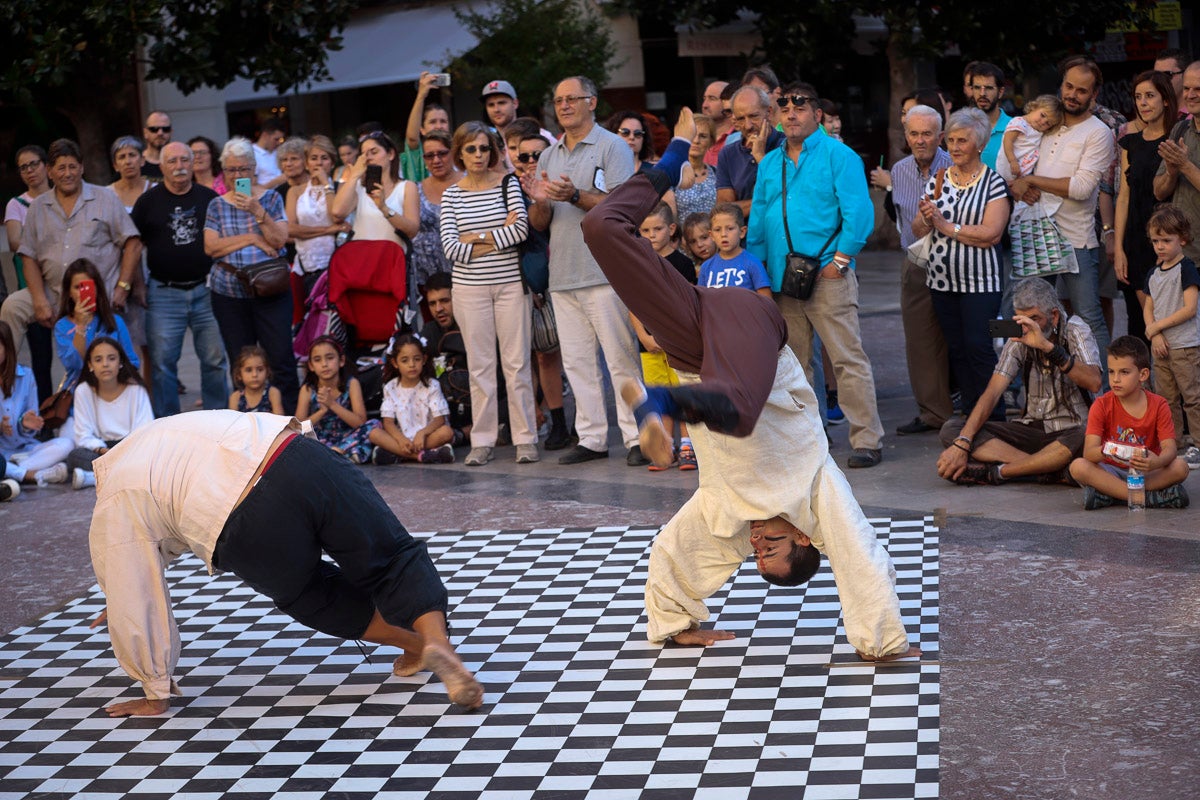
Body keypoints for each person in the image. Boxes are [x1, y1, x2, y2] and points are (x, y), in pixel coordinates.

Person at [576, 122, 917, 660]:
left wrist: (675, 623)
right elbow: (861, 558)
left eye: (756, 555)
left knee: (599, 227)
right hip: (754, 333)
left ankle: (665, 164)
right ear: (803, 538)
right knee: (738, 412)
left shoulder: (725, 515)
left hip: (693, 338)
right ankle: (661, 402)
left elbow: (673, 554)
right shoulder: (817, 496)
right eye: (773, 547)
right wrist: (882, 642)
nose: (757, 544)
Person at [87, 409, 484, 716]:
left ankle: (413, 644)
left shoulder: (113, 496)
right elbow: (166, 513)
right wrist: (123, 589)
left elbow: (135, 587)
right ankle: (434, 641)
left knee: (312, 593)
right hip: (295, 457)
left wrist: (154, 689)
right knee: (389, 552)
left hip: (243, 520)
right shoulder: (158, 432)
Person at [747, 81, 886, 469]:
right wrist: (757, 276)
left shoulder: (838, 155)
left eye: (801, 106)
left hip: (828, 275)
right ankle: (811, 438)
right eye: (784, 107)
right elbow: (758, 220)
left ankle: (866, 439)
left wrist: (839, 262)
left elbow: (859, 214)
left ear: (817, 114)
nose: (791, 113)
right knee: (797, 365)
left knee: (847, 359)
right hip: (780, 279)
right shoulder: (771, 162)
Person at [525, 75, 644, 466]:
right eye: (558, 100)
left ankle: (637, 438)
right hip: (563, 272)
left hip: (605, 269)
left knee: (620, 358)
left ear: (591, 102)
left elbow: (622, 206)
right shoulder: (548, 155)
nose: (564, 106)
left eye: (571, 98)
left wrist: (574, 195)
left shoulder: (613, 146)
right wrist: (539, 201)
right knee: (576, 362)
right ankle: (592, 438)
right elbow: (540, 222)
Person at [1004, 56, 1115, 367]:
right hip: (1034, 235)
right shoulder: (1045, 122)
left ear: (1094, 95)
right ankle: (1034, 393)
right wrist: (1018, 184)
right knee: (1029, 315)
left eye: (1082, 90)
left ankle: (1104, 395)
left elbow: (1080, 188)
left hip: (1075, 240)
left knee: (1088, 317)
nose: (1072, 95)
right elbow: (1016, 164)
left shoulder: (1098, 133)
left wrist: (1031, 180)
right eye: (1068, 86)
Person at [937, 277, 1103, 485]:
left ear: (1053, 316)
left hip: (1071, 432)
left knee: (1086, 434)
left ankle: (1003, 471)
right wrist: (963, 443)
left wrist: (1048, 348)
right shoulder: (1020, 333)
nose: (1027, 327)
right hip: (1032, 431)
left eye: (1035, 319)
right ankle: (1046, 470)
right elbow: (993, 393)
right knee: (953, 430)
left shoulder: (1076, 329)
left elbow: (1094, 382)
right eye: (1021, 320)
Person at [439, 121, 536, 466]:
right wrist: (496, 234)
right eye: (471, 149)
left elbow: (521, 231)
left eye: (484, 148)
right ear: (460, 153)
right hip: (468, 289)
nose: (478, 155)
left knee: (517, 363)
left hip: (510, 284)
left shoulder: (508, 185)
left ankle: (526, 438)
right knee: (480, 366)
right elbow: (450, 247)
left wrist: (475, 239)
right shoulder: (451, 194)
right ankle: (483, 441)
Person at [2, 139, 141, 363]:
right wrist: (38, 299)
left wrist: (123, 287)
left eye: (72, 167)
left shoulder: (104, 198)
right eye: (61, 168)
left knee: (95, 358)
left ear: (81, 168)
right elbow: (28, 257)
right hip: (53, 291)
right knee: (12, 306)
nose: (67, 174)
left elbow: (133, 243)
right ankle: (5, 376)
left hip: (97, 294)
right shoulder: (38, 207)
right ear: (49, 171)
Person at [913, 108, 1012, 421]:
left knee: (978, 347)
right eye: (951, 140)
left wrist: (947, 227)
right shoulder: (939, 178)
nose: (954, 147)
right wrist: (926, 218)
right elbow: (918, 229)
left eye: (962, 141)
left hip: (981, 282)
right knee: (956, 350)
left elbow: (992, 234)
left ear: (979, 144)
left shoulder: (993, 183)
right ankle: (971, 414)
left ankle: (994, 416)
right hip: (942, 280)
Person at [131, 141, 229, 416]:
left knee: (214, 360)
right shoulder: (147, 202)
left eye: (185, 160)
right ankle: (168, 424)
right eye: (172, 161)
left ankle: (217, 421)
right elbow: (133, 247)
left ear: (193, 163)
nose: (179, 166)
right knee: (163, 365)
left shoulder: (208, 198)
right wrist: (137, 285)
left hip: (206, 290)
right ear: (161, 166)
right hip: (163, 293)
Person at [203, 136, 299, 412]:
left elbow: (280, 240)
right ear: (224, 171)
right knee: (240, 360)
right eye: (232, 170)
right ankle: (245, 423)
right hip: (229, 294)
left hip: (271, 292)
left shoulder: (269, 198)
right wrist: (253, 239)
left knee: (280, 357)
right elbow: (211, 247)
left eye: (244, 169)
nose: (238, 175)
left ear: (253, 168)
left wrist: (258, 212)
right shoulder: (216, 205)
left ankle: (289, 422)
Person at [1068, 335, 1190, 508]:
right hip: (1111, 471)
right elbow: (1089, 453)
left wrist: (1157, 462)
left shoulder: (1159, 404)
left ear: (1143, 374)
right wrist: (1109, 450)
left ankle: (1110, 495)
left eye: (1124, 372)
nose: (1115, 379)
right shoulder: (1101, 404)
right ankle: (1147, 498)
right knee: (1078, 467)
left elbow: (1170, 449)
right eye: (1111, 371)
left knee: (1180, 467)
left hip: (1146, 471)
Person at [890, 105, 954, 435]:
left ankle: (966, 408)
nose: (920, 140)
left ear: (939, 136)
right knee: (919, 340)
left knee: (958, 336)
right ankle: (933, 413)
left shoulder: (955, 164)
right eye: (913, 134)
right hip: (914, 262)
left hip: (954, 257)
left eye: (927, 133)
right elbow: (901, 218)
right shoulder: (899, 170)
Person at [632, 202, 696, 471]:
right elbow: (632, 303)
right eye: (645, 230)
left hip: (677, 343)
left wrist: (678, 339)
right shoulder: (639, 264)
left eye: (657, 229)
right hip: (650, 345)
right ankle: (666, 446)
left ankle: (688, 447)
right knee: (659, 395)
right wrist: (644, 337)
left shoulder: (682, 263)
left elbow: (690, 302)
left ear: (671, 229)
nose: (651, 235)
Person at [1116, 71, 1177, 343]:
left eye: (1149, 96)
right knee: (1140, 325)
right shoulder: (1130, 143)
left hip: (1168, 239)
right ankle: (1143, 385)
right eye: (1138, 97)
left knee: (1169, 324)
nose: (1143, 103)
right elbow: (1123, 197)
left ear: (1165, 99)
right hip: (1135, 240)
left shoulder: (1178, 137)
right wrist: (1118, 248)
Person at [1141, 204, 1200, 469]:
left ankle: (1198, 444)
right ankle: (1172, 443)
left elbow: (1189, 308)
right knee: (1166, 398)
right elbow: (1148, 308)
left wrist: (1156, 328)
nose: (1160, 246)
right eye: (1156, 241)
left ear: (1183, 239)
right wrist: (1154, 335)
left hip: (1185, 345)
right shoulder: (1154, 273)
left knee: (1192, 396)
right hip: (1161, 346)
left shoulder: (1186, 269)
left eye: (1167, 240)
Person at [65, 336, 154, 489]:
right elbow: (83, 435)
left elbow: (144, 432)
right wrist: (104, 451)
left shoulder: (136, 391)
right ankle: (126, 476)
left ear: (120, 363)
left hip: (131, 449)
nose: (105, 364)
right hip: (101, 450)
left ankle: (94, 478)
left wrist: (121, 452)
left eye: (111, 358)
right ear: (90, 365)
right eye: (98, 360)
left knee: (150, 457)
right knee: (75, 456)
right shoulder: (83, 391)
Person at [4, 146, 54, 400]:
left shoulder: (62, 196)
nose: (30, 171)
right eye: (24, 167)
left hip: (65, 284)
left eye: (34, 164)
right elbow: (14, 241)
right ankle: (45, 415)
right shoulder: (17, 204)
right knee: (41, 357)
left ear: (46, 165)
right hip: (33, 290)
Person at [0, 321, 73, 491]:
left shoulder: (26, 376)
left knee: (66, 444)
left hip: (26, 452)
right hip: (1, 453)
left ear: (7, 347)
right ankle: (31, 474)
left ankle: (12, 472)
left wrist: (24, 423)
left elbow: (32, 427)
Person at [369, 332, 455, 464]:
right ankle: (422, 456)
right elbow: (388, 422)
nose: (412, 364)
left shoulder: (432, 385)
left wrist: (422, 433)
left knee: (446, 432)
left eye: (417, 359)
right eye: (405, 360)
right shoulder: (390, 387)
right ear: (395, 363)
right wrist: (401, 439)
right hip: (402, 438)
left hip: (426, 437)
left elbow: (439, 419)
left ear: (424, 359)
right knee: (374, 434)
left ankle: (398, 454)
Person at [295, 335, 381, 464]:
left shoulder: (351, 384)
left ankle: (337, 454)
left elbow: (360, 422)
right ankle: (347, 455)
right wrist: (322, 411)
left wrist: (333, 404)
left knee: (373, 424)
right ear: (311, 366)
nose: (324, 364)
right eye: (318, 360)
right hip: (320, 438)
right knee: (298, 440)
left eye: (330, 358)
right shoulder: (307, 389)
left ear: (341, 360)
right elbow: (298, 427)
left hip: (347, 435)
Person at [53, 260, 139, 387]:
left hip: (114, 389)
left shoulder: (115, 321)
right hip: (80, 391)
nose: (82, 292)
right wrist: (80, 327)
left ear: (97, 289)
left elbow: (132, 362)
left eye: (88, 286)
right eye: (78, 287)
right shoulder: (62, 326)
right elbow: (74, 365)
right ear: (69, 293)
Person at [285, 135, 349, 296]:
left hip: (337, 264)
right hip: (307, 266)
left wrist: (326, 185)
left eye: (324, 158)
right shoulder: (295, 192)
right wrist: (328, 230)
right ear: (307, 164)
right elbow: (290, 229)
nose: (319, 163)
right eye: (314, 158)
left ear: (332, 163)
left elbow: (336, 217)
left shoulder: (341, 188)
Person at [331, 131, 420, 245]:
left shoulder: (407, 187)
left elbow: (412, 231)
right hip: (362, 258)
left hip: (393, 258)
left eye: (374, 152)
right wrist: (354, 176)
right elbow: (337, 212)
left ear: (391, 154)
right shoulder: (359, 186)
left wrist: (384, 208)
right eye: (364, 154)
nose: (369, 158)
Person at [1153, 61, 1200, 267]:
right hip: (1182, 254)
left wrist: (1184, 165)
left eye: (1198, 89)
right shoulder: (1180, 129)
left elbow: (1184, 166)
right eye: (1187, 88)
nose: (1190, 95)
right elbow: (1159, 192)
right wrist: (1171, 173)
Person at [419, 272, 472, 447]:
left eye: (444, 301)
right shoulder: (429, 332)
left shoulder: (475, 325)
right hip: (447, 410)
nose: (438, 309)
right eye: (432, 303)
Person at [715, 86, 784, 219]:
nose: (748, 125)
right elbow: (724, 211)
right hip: (743, 237)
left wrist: (760, 156)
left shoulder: (787, 146)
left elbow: (790, 196)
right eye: (741, 119)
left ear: (769, 112)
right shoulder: (728, 154)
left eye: (754, 116)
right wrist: (768, 201)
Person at [409, 130, 459, 293]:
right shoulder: (415, 189)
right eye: (429, 156)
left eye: (442, 154)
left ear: (453, 153)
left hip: (464, 274)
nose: (436, 160)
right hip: (427, 279)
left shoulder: (469, 183)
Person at [698, 203, 771, 295]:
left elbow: (766, 301)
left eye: (730, 228)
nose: (723, 234)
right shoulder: (706, 267)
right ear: (711, 235)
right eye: (717, 230)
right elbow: (701, 300)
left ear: (742, 232)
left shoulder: (753, 263)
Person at [402, 72, 454, 182]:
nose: (439, 126)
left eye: (443, 121)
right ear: (422, 129)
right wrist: (421, 95)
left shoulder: (460, 150)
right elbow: (412, 138)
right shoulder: (418, 153)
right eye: (433, 122)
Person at [1002, 96, 1065, 180]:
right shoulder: (1019, 122)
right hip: (1010, 167)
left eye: (1048, 123)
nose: (1042, 122)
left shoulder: (1039, 132)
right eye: (1042, 115)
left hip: (1025, 175)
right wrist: (1012, 161)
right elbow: (1007, 140)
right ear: (1035, 107)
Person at [674, 114, 718, 222]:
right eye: (692, 135)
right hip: (682, 237)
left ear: (711, 142)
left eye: (703, 136)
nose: (696, 140)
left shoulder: (718, 173)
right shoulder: (672, 174)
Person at [970, 63, 1012, 171]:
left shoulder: (1014, 127)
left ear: (1000, 92)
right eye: (977, 88)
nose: (982, 93)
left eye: (988, 88)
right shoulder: (962, 126)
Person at [228, 344, 283, 414]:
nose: (255, 375)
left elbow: (280, 421)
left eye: (260, 370)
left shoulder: (272, 393)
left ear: (267, 372)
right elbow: (233, 423)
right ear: (239, 374)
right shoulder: (236, 397)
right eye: (249, 370)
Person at [252, 119, 287, 189]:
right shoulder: (252, 154)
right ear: (265, 135)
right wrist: (277, 181)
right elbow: (253, 188)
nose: (278, 143)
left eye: (280, 140)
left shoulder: (279, 152)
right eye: (276, 139)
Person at [141, 111, 172, 181]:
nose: (160, 133)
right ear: (145, 133)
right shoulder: (135, 164)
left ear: (171, 132)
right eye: (154, 129)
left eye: (165, 129)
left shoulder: (180, 163)